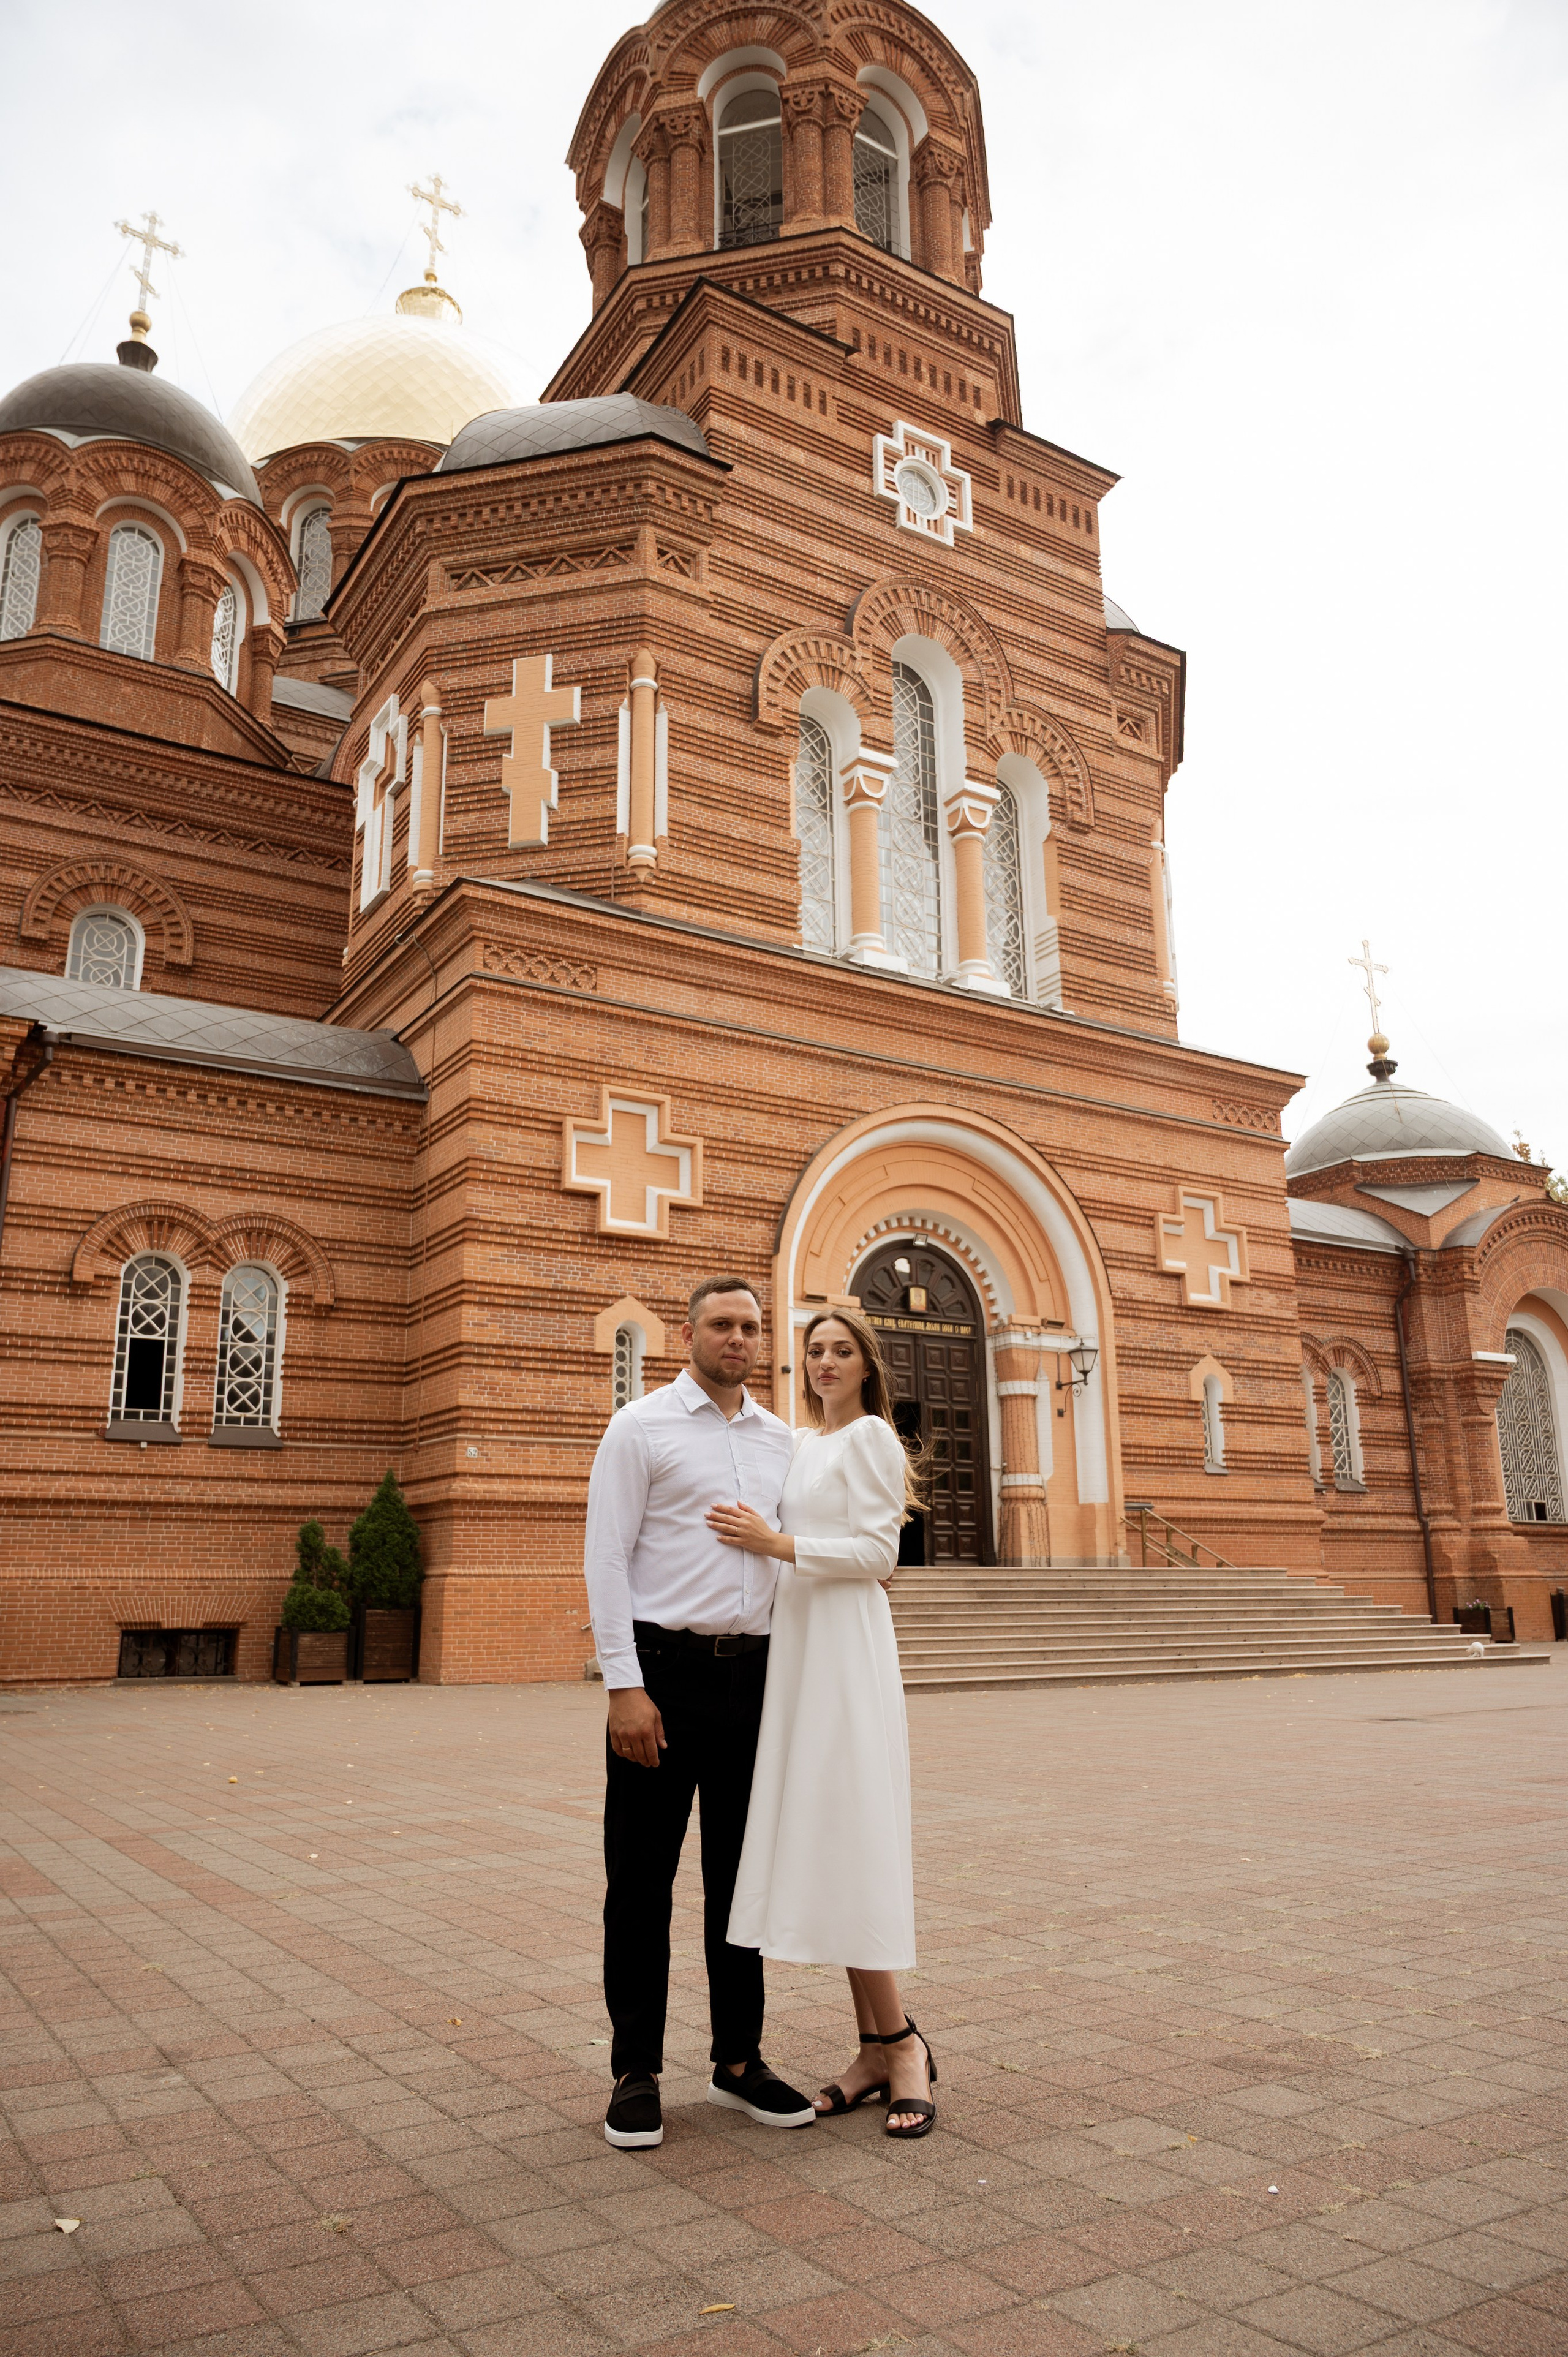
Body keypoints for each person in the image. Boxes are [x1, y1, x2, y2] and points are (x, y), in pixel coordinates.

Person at [584, 1275, 817, 2150]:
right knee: (641, 1881)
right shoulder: (640, 1426)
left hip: (750, 1681)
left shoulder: (779, 1440)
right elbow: (607, 1557)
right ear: (688, 1333)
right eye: (723, 1325)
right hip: (661, 1675)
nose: (739, 1340)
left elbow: (791, 1555)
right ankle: (635, 2070)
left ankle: (738, 2061)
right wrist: (624, 1685)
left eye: (752, 1327)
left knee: (740, 1880)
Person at [709, 1305, 936, 2140]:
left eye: (842, 1351)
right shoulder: (801, 1444)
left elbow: (881, 1554)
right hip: (799, 1651)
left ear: (867, 1365)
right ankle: (877, 2047)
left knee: (856, 1832)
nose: (826, 1362)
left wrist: (780, 1547)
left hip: (846, 1652)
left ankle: (904, 2047)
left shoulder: (873, 1437)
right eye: (815, 1351)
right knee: (833, 1841)